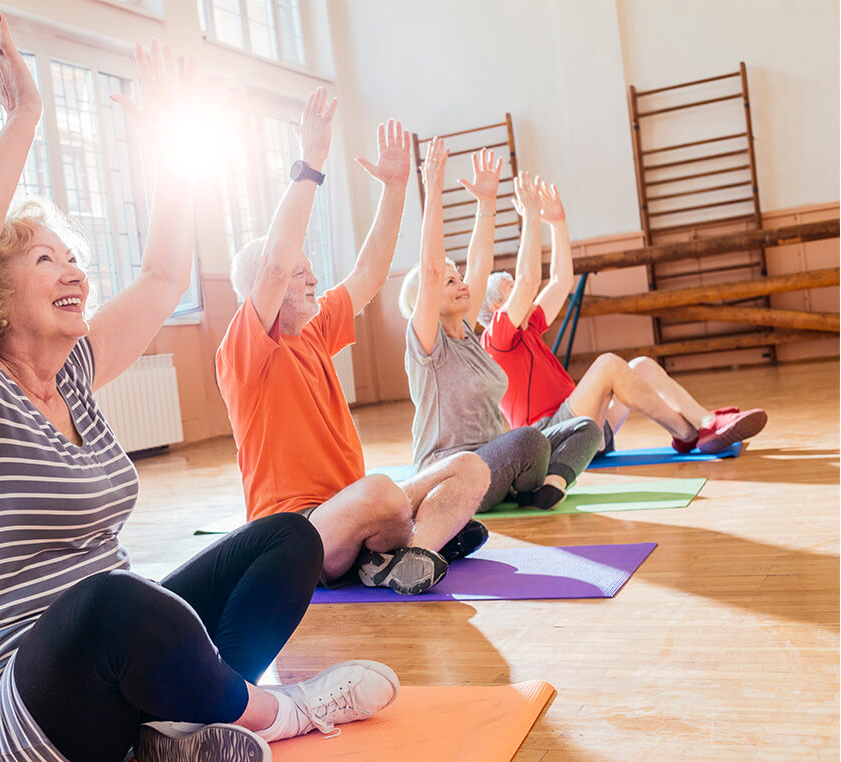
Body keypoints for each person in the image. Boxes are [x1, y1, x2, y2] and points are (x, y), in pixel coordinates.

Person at [0, 7, 398, 762]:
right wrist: (26, 114)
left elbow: (165, 274)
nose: (75, 271)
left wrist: (169, 143)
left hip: (110, 681)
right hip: (8, 714)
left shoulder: (73, 375)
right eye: (47, 259)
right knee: (115, 602)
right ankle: (281, 710)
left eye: (76, 257)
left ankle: (182, 722)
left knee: (288, 539)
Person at [217, 90, 490, 598]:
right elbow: (275, 261)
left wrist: (396, 187)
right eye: (301, 273)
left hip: (353, 505)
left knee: (471, 468)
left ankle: (412, 552)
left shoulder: (316, 326)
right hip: (293, 533)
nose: (313, 278)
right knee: (383, 494)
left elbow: (370, 271)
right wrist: (311, 164)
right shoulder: (245, 347)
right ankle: (399, 544)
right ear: (267, 288)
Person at [478, 174, 767, 456]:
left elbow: (560, 280)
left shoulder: (528, 327)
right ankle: (688, 433)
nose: (520, 291)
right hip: (550, 441)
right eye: (510, 289)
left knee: (641, 366)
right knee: (607, 366)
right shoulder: (496, 340)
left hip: (583, 427)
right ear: (494, 308)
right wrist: (529, 218)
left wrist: (557, 223)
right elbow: (529, 279)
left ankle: (704, 422)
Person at [399, 141, 602, 511]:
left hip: (497, 460)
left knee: (586, 428)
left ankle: (548, 485)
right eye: (449, 282)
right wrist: (433, 185)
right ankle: (529, 480)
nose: (462, 283)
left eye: (457, 277)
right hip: (453, 475)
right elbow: (429, 271)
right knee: (528, 441)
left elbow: (479, 264)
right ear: (426, 300)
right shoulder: (427, 345)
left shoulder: (470, 337)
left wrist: (487, 203)